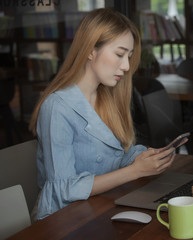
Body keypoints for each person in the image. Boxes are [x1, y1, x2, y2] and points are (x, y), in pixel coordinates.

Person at [29, 8, 180, 220]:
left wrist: (144, 157)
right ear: (91, 50)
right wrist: (135, 171)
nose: (126, 66)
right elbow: (64, 189)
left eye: (128, 56)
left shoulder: (107, 96)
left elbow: (116, 156)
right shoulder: (57, 107)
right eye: (119, 54)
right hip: (63, 220)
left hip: (101, 205)